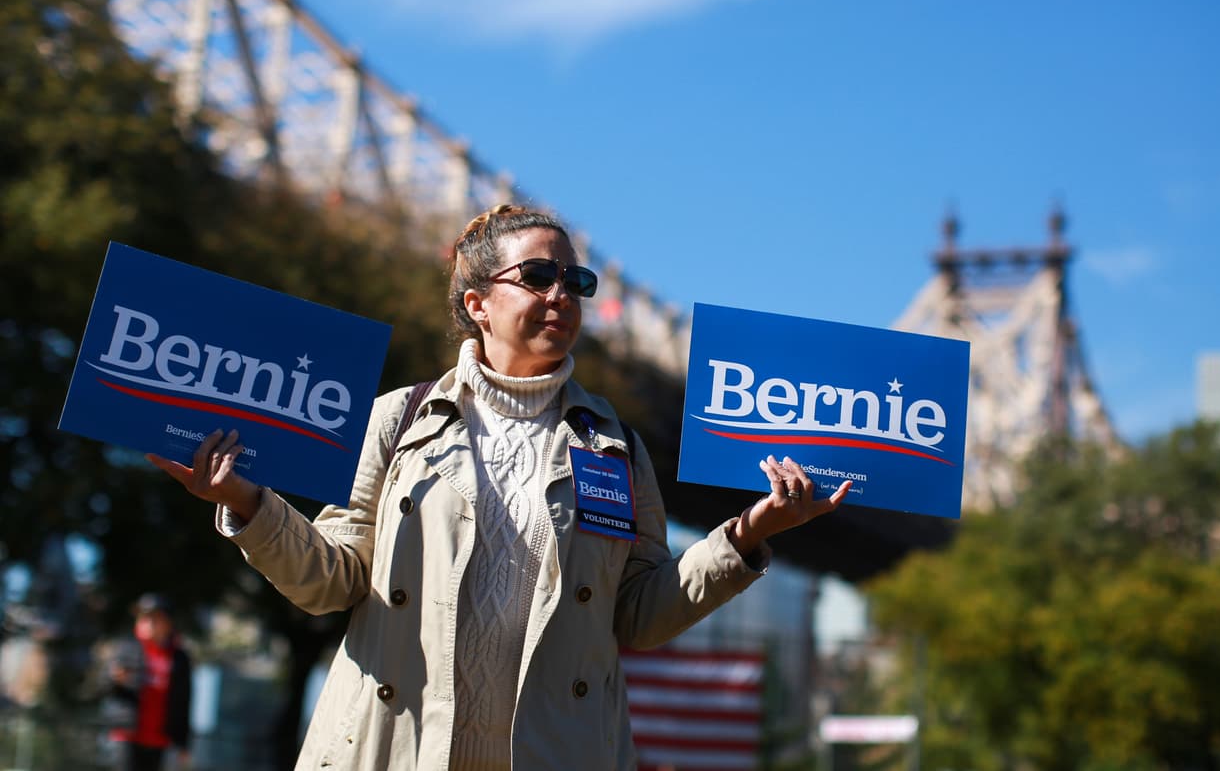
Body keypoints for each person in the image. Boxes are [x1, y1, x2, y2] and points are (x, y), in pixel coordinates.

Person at [147, 204, 850, 770]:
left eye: (576, 282)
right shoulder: (398, 421)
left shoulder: (617, 446)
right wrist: (243, 501)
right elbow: (330, 581)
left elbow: (639, 615)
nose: (561, 295)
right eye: (538, 276)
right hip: (394, 750)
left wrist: (747, 535)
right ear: (478, 303)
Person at [106, 594, 192, 771]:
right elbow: (103, 685)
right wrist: (114, 679)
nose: (148, 622)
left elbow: (183, 702)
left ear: (168, 622)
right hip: (127, 737)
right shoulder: (126, 648)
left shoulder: (179, 658)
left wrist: (183, 744)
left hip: (160, 741)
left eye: (154, 617)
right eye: (144, 617)